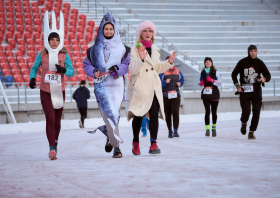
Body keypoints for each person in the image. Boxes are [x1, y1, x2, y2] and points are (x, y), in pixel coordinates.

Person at [83, 13, 130, 158]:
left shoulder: (123, 49)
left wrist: (118, 70)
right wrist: (94, 72)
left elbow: (126, 65)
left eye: (111, 29)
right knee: (107, 116)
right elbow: (86, 65)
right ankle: (114, 143)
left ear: (114, 30)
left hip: (116, 87)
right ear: (101, 30)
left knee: (114, 116)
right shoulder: (93, 50)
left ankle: (113, 143)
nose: (108, 31)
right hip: (101, 87)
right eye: (106, 29)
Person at [29, 11, 74, 160]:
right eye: (51, 39)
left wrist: (64, 70)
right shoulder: (42, 55)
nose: (54, 42)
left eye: (56, 39)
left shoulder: (64, 55)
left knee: (57, 120)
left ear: (59, 41)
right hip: (45, 90)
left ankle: (55, 141)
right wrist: (32, 78)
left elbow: (72, 72)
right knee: (51, 118)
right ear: (47, 41)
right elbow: (34, 68)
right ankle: (51, 148)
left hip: (59, 91)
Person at [127, 20, 176, 155]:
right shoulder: (134, 49)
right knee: (138, 115)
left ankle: (153, 143)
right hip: (140, 87)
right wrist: (141, 59)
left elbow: (157, 68)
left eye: (150, 31)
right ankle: (135, 142)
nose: (148, 33)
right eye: (145, 31)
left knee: (154, 114)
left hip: (153, 87)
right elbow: (132, 69)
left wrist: (169, 62)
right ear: (140, 33)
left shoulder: (155, 49)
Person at [231, 45, 271, 139]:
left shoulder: (260, 63)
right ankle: (244, 123)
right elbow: (234, 74)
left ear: (257, 52)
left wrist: (264, 78)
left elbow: (268, 75)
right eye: (251, 51)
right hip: (245, 90)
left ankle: (252, 132)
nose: (253, 53)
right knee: (246, 111)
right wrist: (237, 85)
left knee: (256, 112)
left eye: (255, 51)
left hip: (256, 91)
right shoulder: (242, 62)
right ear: (248, 52)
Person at [159, 56, 184, 138]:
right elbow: (158, 84)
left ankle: (176, 130)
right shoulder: (162, 72)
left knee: (176, 112)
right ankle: (170, 130)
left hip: (176, 95)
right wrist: (165, 82)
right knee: (168, 114)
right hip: (166, 96)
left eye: (172, 60)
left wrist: (180, 83)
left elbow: (182, 80)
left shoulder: (178, 71)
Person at [199, 57, 221, 137]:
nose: (208, 63)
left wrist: (212, 80)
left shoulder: (216, 72)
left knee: (214, 112)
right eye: (206, 62)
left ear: (211, 63)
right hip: (206, 94)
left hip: (214, 93)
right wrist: (201, 83)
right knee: (207, 111)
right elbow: (199, 81)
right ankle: (207, 129)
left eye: (209, 61)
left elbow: (219, 83)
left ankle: (214, 128)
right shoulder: (202, 72)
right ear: (204, 63)